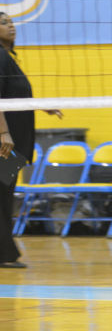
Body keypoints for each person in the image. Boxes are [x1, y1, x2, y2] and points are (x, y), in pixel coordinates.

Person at [0, 13, 63, 268]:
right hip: (5, 145)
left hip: (13, 145)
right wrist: (3, 133)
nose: (11, 26)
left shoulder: (8, 57)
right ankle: (5, 254)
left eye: (12, 22)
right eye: (4, 23)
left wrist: (41, 106)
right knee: (2, 196)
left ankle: (5, 252)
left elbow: (14, 97)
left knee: (5, 195)